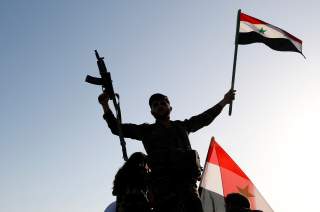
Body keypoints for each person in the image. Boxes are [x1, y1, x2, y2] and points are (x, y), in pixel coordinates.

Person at [98, 89, 235, 212]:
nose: (160, 106)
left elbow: (205, 117)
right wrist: (105, 105)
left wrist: (224, 102)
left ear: (170, 107)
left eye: (163, 103)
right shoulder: (146, 131)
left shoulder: (182, 127)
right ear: (152, 112)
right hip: (162, 190)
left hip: (188, 187)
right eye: (155, 105)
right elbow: (117, 129)